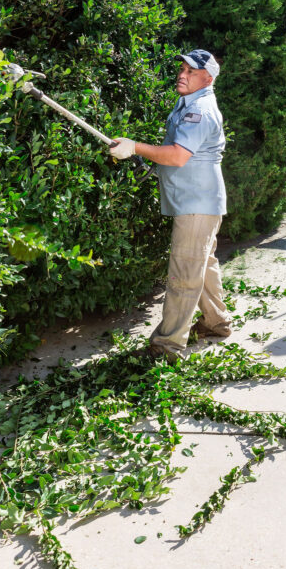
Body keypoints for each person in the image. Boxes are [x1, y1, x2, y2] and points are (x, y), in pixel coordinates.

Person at [109, 49, 231, 360]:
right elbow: (175, 156)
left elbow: (177, 155)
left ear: (208, 78)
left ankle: (167, 346)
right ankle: (217, 323)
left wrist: (135, 147)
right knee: (203, 263)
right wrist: (146, 158)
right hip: (198, 201)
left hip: (196, 205)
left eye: (191, 71)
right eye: (182, 68)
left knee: (183, 274)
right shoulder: (188, 105)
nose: (182, 74)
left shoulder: (199, 110)